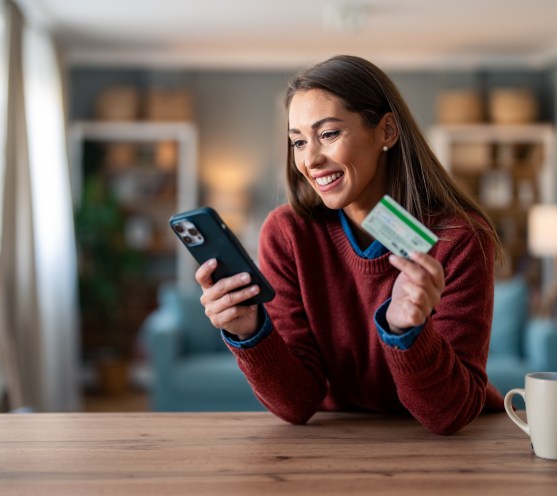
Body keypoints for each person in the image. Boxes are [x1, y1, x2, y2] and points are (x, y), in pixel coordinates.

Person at [195, 55, 505, 435]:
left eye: (328, 134)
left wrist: (407, 330)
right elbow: (297, 404)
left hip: (449, 447)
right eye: (298, 141)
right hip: (338, 439)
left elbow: (449, 415)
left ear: (387, 131)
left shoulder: (459, 238)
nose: (310, 160)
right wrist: (250, 332)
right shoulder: (287, 235)